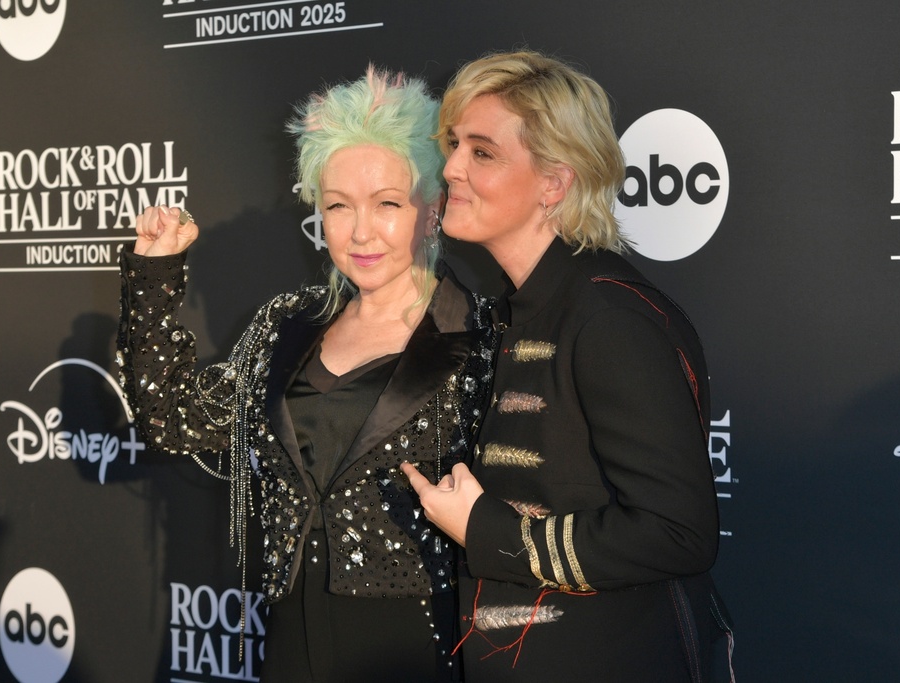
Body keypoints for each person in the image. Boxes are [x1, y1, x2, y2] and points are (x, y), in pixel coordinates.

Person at [116, 67, 495, 683]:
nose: (360, 232)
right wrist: (154, 281)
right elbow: (173, 421)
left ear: (433, 210)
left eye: (388, 204)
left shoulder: (481, 337)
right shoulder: (288, 324)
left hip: (422, 640)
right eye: (339, 206)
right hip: (292, 632)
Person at [402, 50, 735, 682]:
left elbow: (677, 533)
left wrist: (485, 529)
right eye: (453, 146)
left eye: (482, 152)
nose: (449, 168)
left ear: (555, 182)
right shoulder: (524, 310)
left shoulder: (609, 317)